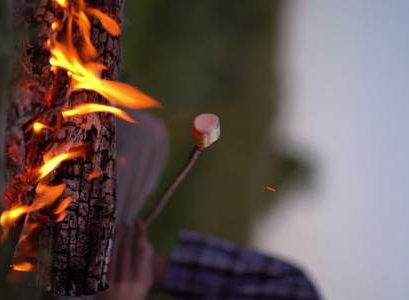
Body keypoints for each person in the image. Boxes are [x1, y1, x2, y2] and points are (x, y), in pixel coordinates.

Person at [68, 110, 322, 300]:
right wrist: (129, 264)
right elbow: (154, 271)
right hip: (99, 277)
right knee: (146, 139)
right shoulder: (292, 287)